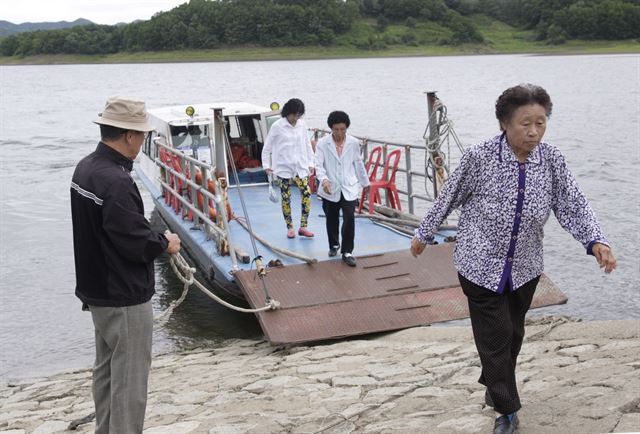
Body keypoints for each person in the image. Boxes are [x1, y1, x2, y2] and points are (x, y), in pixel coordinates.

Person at [410, 84, 617, 434]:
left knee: (514, 334)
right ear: (505, 122)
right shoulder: (480, 156)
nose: (534, 131)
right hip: (478, 262)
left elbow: (572, 203)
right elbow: (451, 194)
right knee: (496, 334)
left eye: (541, 122)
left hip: (524, 266)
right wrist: (424, 233)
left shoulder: (551, 160)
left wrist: (595, 240)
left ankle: (494, 385)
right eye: (525, 123)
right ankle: (506, 411)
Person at [70, 96, 181, 433]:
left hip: (97, 292)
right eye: (143, 135)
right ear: (130, 135)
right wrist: (165, 242)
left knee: (106, 373)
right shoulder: (116, 180)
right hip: (123, 296)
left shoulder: (85, 167)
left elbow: (111, 229)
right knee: (130, 381)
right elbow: (134, 242)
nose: (143, 141)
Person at [314, 111, 370, 267]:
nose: (339, 133)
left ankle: (347, 251)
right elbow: (318, 164)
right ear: (331, 128)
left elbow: (358, 163)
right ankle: (333, 245)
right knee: (331, 218)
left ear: (347, 128)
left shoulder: (353, 143)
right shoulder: (323, 144)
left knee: (349, 218)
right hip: (330, 187)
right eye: (336, 129)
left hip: (349, 186)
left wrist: (366, 183)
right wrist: (324, 180)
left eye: (342, 129)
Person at [261, 98, 315, 239]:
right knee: (286, 197)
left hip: (300, 167)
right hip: (283, 167)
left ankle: (303, 226)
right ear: (288, 112)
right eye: (294, 114)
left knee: (307, 193)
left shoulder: (302, 125)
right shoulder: (278, 126)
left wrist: (311, 162)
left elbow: (307, 144)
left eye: (299, 115)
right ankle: (290, 227)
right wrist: (267, 166)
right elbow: (267, 147)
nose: (296, 118)